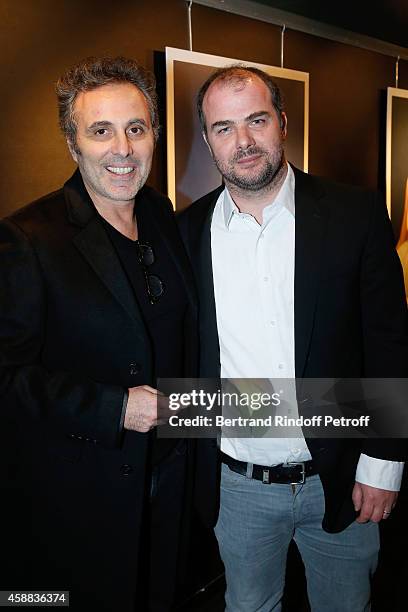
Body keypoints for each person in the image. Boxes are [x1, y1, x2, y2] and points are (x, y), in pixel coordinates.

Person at [178, 65, 408, 612]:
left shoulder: (354, 214)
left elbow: (389, 343)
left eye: (257, 120)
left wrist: (383, 463)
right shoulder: (185, 234)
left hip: (343, 475)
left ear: (282, 122)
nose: (244, 141)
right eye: (224, 128)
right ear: (208, 140)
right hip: (237, 486)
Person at [0, 56, 197, 612]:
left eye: (136, 129)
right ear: (73, 144)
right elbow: (6, 378)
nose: (123, 149)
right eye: (101, 131)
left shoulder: (161, 213)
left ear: (154, 134)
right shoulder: (28, 238)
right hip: (83, 499)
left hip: (169, 482)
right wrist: (113, 408)